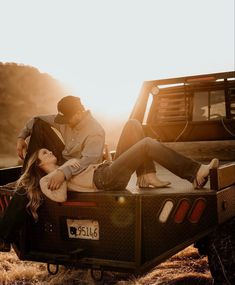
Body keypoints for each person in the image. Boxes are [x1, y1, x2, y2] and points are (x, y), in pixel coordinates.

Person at [15, 121, 219, 221]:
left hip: (106, 170)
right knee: (147, 144)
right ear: (40, 164)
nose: (50, 151)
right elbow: (59, 196)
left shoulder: (62, 167)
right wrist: (63, 172)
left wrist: (65, 168)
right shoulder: (47, 180)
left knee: (132, 125)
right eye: (44, 152)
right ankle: (195, 173)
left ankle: (145, 175)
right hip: (104, 180)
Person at [0, 95, 105, 251]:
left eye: (68, 119)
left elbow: (87, 161)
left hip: (78, 170)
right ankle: (26, 175)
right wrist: (21, 137)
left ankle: (3, 237)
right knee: (39, 125)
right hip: (62, 159)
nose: (65, 123)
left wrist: (63, 173)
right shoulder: (65, 119)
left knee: (27, 188)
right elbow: (36, 119)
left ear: (79, 113)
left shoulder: (95, 130)